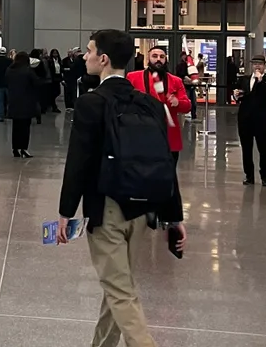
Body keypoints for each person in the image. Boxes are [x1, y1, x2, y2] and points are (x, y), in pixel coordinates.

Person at [57, 29, 185, 347]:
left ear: (103, 59)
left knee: (121, 291)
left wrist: (65, 212)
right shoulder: (150, 104)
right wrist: (175, 216)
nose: (85, 56)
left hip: (107, 211)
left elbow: (78, 162)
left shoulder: (90, 103)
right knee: (117, 286)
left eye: (89, 51)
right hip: (141, 212)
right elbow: (165, 161)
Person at [126, 47, 192, 162]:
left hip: (169, 136)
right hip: (140, 134)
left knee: (169, 174)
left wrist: (178, 102)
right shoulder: (133, 77)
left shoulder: (176, 81)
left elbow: (187, 106)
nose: (158, 59)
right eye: (154, 56)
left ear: (166, 59)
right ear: (148, 58)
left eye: (162, 57)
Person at [235, 54, 266, 186]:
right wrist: (236, 94)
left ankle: (265, 176)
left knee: (263, 148)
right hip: (245, 118)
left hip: (260, 119)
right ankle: (249, 176)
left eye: (260, 64)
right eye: (254, 64)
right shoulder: (245, 79)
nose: (257, 66)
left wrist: (260, 81)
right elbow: (240, 93)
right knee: (246, 149)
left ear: (265, 66)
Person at [5, 51, 42, 158]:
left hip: (14, 101)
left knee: (16, 127)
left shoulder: (10, 70)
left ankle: (15, 148)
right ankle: (23, 148)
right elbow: (37, 83)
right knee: (25, 127)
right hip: (26, 102)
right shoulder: (28, 71)